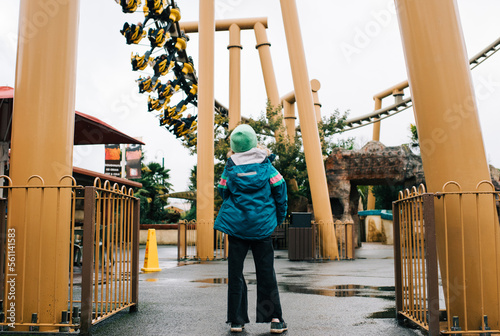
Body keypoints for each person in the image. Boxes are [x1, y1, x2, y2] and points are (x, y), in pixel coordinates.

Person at [214, 124, 288, 334]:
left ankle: (237, 321)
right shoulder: (268, 168)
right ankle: (275, 319)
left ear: (234, 146)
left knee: (235, 273)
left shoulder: (229, 168)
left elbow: (223, 191)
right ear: (255, 142)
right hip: (262, 227)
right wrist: (277, 218)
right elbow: (281, 194)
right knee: (266, 273)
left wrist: (237, 210)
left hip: (237, 227)